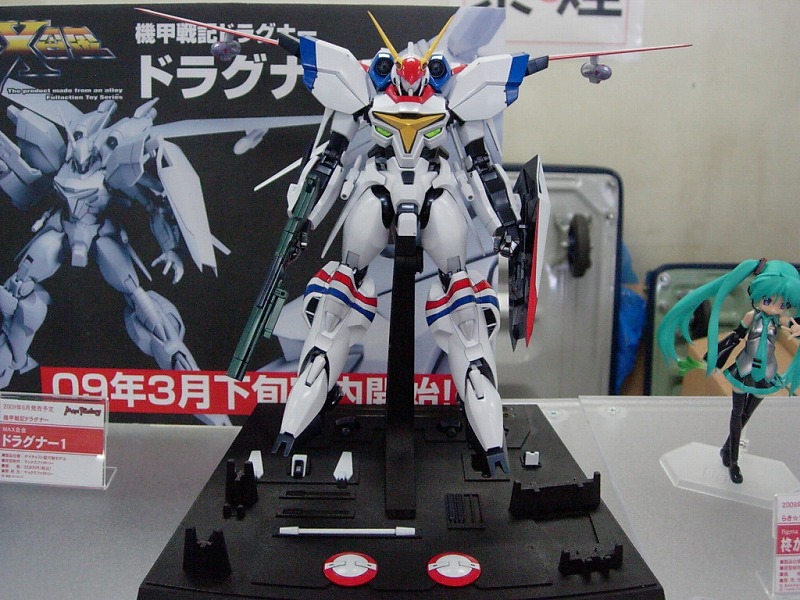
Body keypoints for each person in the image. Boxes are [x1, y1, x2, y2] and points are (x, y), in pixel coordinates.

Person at [657, 259, 800, 483]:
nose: (774, 307)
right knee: (737, 413)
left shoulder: (779, 320)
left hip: (766, 373)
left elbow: (793, 325)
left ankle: (726, 448)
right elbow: (735, 337)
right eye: (768, 300)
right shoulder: (751, 317)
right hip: (744, 369)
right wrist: (716, 358)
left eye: (782, 304)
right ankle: (733, 462)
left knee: (747, 415)